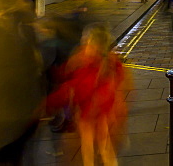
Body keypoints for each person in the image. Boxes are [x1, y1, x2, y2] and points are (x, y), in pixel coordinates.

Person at [47, 24, 127, 166]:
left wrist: (50, 102)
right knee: (101, 143)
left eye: (86, 40)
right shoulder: (108, 61)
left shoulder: (85, 62)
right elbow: (117, 78)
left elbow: (75, 87)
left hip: (89, 111)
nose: (84, 42)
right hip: (101, 110)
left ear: (92, 43)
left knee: (90, 144)